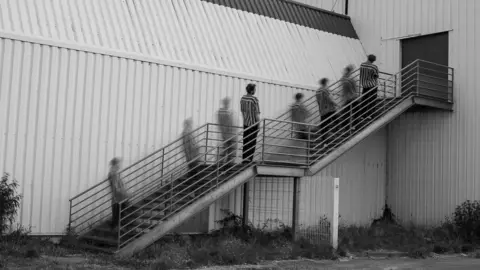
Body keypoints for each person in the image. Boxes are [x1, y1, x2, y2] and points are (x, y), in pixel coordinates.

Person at [240, 83, 261, 163]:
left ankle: (244, 160)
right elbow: (257, 114)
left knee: (245, 143)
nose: (255, 91)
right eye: (255, 89)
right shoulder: (254, 100)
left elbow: (242, 111)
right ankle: (249, 161)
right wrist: (259, 125)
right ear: (252, 90)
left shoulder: (243, 98)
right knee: (251, 143)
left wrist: (244, 121)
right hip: (253, 125)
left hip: (246, 124)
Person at [108, 157, 130, 231]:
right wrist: (124, 193)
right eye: (118, 164)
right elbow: (115, 187)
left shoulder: (114, 174)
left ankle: (117, 227)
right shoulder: (113, 174)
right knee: (119, 214)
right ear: (115, 164)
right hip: (118, 198)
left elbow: (118, 186)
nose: (119, 166)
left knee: (119, 214)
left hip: (119, 198)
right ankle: (116, 228)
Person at [217, 97, 237, 166]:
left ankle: (224, 165)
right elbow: (227, 122)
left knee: (227, 151)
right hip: (228, 134)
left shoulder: (224, 111)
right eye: (227, 102)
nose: (228, 104)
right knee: (229, 151)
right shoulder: (224, 111)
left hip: (228, 134)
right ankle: (226, 166)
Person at [316, 78, 338, 142]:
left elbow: (318, 101)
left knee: (324, 125)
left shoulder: (318, 91)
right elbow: (330, 98)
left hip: (322, 110)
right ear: (326, 83)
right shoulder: (325, 90)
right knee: (336, 120)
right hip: (329, 109)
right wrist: (336, 104)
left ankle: (323, 139)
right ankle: (334, 134)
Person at [359, 54, 379, 119]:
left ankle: (362, 115)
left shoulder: (362, 65)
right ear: (373, 60)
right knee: (371, 100)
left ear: (368, 58)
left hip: (364, 85)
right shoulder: (374, 67)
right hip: (372, 85)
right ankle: (370, 115)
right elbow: (376, 76)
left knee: (364, 100)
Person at [340, 65, 359, 133]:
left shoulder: (344, 79)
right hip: (353, 97)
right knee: (356, 112)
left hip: (347, 98)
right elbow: (355, 88)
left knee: (346, 113)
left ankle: (346, 128)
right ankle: (354, 126)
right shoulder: (351, 79)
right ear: (350, 71)